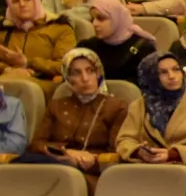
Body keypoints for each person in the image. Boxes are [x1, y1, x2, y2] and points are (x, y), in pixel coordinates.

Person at [26, 48, 128, 183]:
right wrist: (65, 152)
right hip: (55, 165)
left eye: (90, 71)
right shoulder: (56, 106)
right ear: (68, 78)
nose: (85, 79)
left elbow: (117, 153)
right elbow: (37, 144)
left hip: (92, 175)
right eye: (76, 73)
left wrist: (93, 159)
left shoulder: (116, 107)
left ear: (99, 74)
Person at [117, 52, 186, 164]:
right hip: (146, 169)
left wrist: (173, 154)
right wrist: (138, 151)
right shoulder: (139, 106)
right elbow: (124, 141)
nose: (172, 76)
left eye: (176, 69)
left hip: (185, 170)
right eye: (163, 72)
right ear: (151, 77)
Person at [0, 0, 75, 95]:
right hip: (6, 79)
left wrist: (28, 62)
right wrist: (7, 70)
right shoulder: (4, 31)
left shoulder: (60, 28)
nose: (22, 4)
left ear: (36, 2)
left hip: (46, 83)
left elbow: (66, 66)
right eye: (16, 1)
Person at [87, 0, 158, 85]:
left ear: (116, 18)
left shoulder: (143, 48)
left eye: (101, 18)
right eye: (92, 19)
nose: (94, 24)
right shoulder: (87, 47)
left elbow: (151, 87)